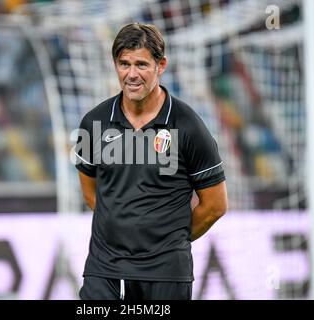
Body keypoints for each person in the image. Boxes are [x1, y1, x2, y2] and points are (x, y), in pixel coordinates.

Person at [74, 22, 228, 300]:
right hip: (104, 269)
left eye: (141, 64)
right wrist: (123, 232)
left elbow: (215, 205)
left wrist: (168, 241)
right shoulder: (93, 122)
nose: (132, 74)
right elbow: (90, 192)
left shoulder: (188, 125)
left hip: (166, 272)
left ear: (161, 65)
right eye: (124, 64)